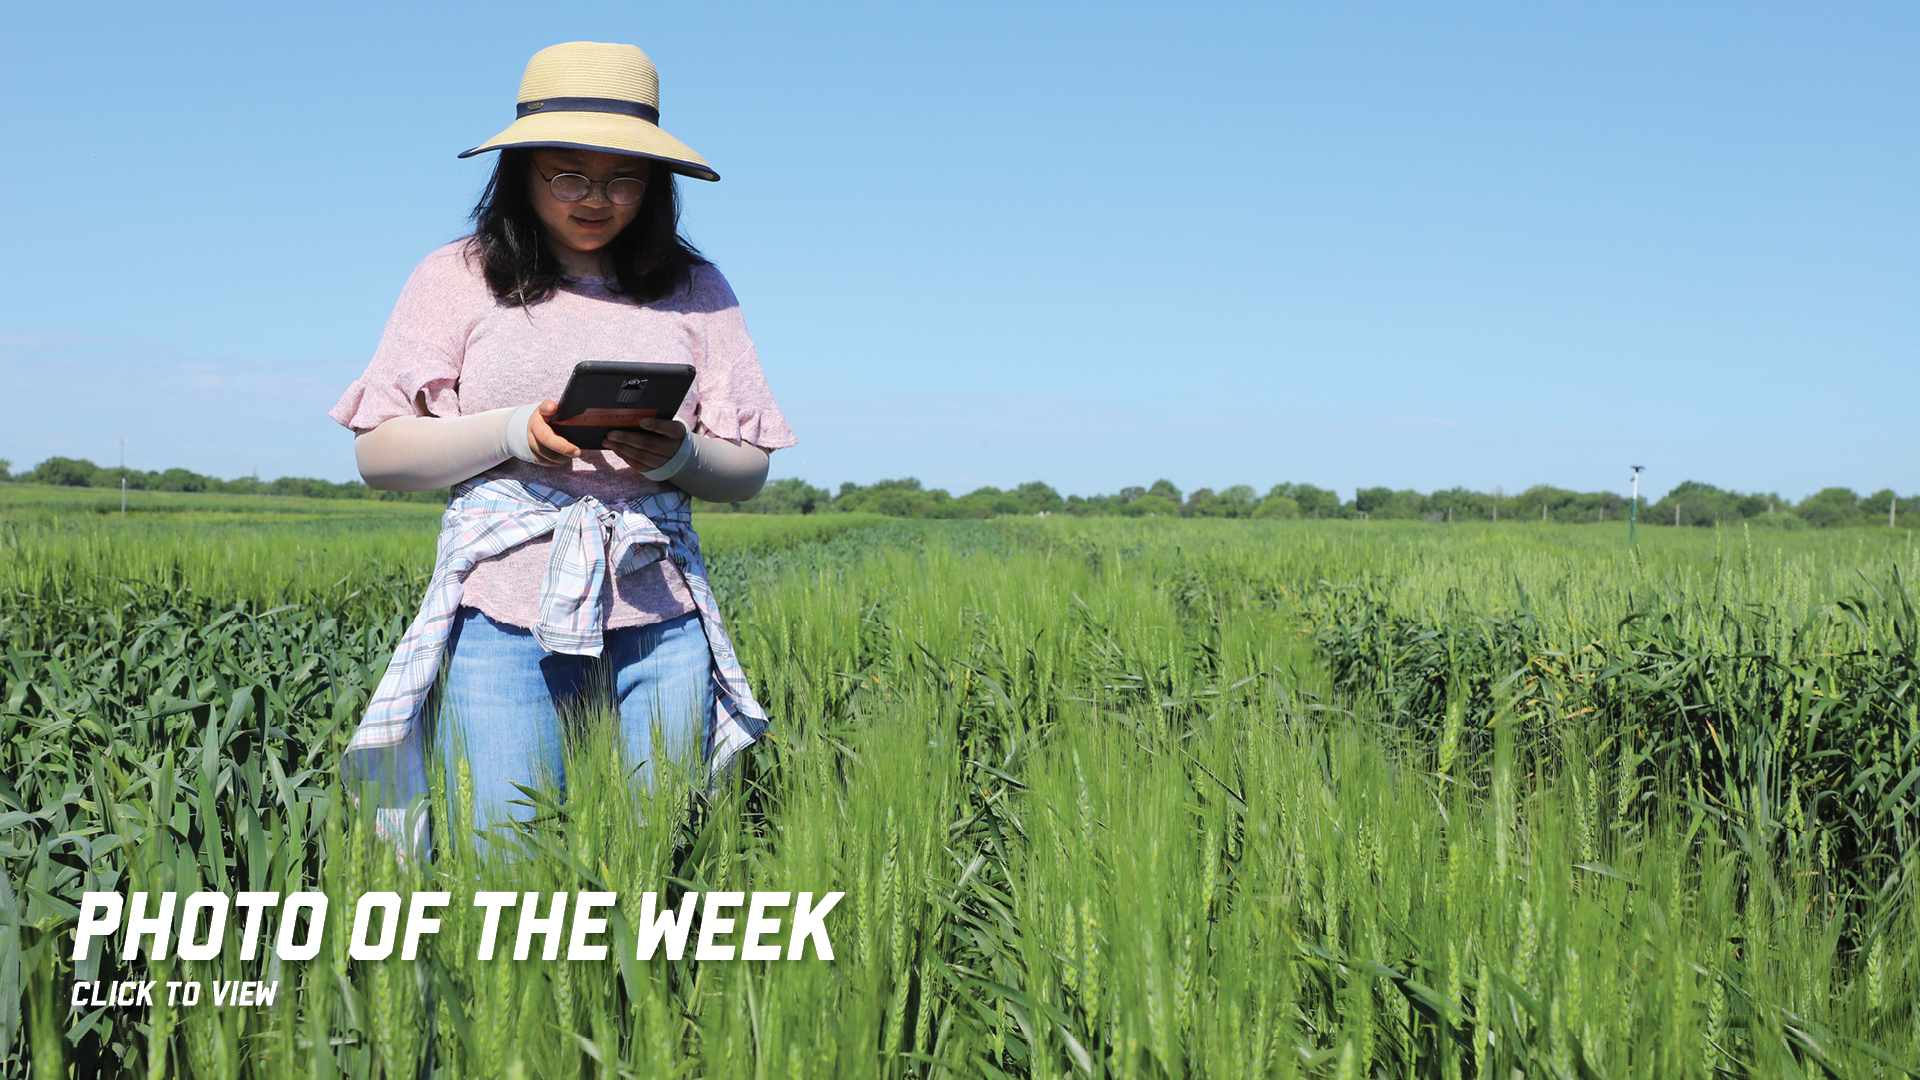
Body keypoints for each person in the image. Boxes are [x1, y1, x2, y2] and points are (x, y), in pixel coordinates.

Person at [328, 41, 795, 855]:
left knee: (662, 857)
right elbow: (380, 454)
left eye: (625, 178)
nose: (597, 199)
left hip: (661, 616)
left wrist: (677, 456)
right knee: (503, 857)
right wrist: (513, 432)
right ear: (521, 172)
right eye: (568, 175)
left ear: (655, 186)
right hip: (502, 615)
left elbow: (748, 470)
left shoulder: (697, 288)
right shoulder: (457, 276)